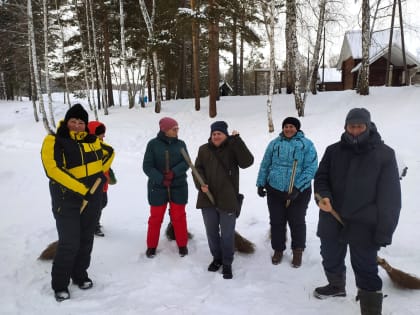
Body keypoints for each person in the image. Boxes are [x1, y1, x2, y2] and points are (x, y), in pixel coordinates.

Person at [313, 108, 401, 315]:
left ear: (368, 126)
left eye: (359, 126)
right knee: (330, 256)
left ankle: (370, 306)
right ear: (345, 127)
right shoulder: (333, 151)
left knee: (366, 268)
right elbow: (321, 178)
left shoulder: (385, 154)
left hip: (365, 222)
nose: (354, 130)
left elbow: (390, 198)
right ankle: (336, 287)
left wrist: (384, 231)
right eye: (351, 126)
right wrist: (323, 196)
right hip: (332, 216)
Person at [41, 104, 115, 302]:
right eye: (73, 121)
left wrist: (100, 173)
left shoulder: (92, 141)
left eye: (81, 122)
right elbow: (53, 170)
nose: (76, 125)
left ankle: (80, 275)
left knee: (86, 239)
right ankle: (60, 284)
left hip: (92, 198)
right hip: (67, 200)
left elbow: (109, 152)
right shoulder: (54, 141)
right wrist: (83, 190)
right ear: (67, 121)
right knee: (69, 242)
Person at [194, 121, 254, 279]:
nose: (216, 136)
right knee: (211, 232)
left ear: (225, 135)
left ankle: (227, 262)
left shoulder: (233, 148)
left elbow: (247, 162)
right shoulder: (203, 149)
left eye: (219, 133)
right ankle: (217, 258)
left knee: (227, 233)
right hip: (207, 198)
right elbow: (197, 169)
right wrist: (201, 184)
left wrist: (238, 141)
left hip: (227, 199)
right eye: (213, 134)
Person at [256, 117, 318, 267]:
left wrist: (298, 187)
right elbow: (265, 164)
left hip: (298, 192)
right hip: (275, 189)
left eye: (291, 126)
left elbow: (312, 168)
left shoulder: (306, 145)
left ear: (297, 128)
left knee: (296, 221)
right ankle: (278, 249)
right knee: (277, 221)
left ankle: (297, 250)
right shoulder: (274, 144)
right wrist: (261, 183)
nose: (288, 129)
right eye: (286, 126)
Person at [142, 117, 189, 258]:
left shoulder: (181, 144)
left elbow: (186, 163)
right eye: (174, 129)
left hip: (178, 186)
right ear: (165, 130)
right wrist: (161, 178)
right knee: (155, 218)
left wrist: (173, 173)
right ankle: (151, 246)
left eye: (177, 128)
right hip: (157, 187)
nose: (177, 131)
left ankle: (182, 244)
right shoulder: (153, 144)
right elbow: (147, 166)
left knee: (179, 217)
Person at [87, 121, 115, 237]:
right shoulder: (90, 147)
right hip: (94, 182)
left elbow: (106, 163)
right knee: (96, 204)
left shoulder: (102, 145)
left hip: (103, 181)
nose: (104, 136)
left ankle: (93, 222)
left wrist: (110, 174)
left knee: (102, 202)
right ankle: (93, 225)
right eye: (101, 134)